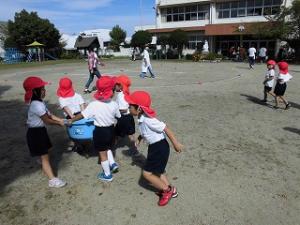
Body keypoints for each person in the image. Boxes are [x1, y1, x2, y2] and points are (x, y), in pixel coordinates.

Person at [125, 91, 183, 206]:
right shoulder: (141, 118)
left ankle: (167, 191)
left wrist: (175, 143)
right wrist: (140, 138)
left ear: (139, 109)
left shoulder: (148, 120)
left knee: (147, 174)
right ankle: (172, 190)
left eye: (130, 106)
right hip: (155, 147)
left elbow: (165, 128)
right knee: (159, 171)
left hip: (159, 147)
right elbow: (146, 132)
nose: (128, 107)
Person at [69, 76, 121, 181]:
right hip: (111, 130)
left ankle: (107, 175)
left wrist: (72, 120)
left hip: (100, 131)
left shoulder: (94, 105)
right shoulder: (114, 104)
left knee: (102, 154)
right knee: (108, 148)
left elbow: (82, 115)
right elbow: (118, 116)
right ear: (111, 91)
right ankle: (113, 164)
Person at [23, 76, 66, 188]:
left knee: (47, 151)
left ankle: (41, 160)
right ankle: (52, 180)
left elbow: (50, 114)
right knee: (45, 158)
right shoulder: (36, 105)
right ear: (35, 91)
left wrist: (61, 120)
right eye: (42, 89)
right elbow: (47, 120)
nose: (44, 90)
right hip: (36, 134)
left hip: (40, 132)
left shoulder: (39, 102)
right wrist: (59, 123)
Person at [114, 75, 137, 154]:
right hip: (129, 117)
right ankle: (135, 149)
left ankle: (111, 147)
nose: (114, 86)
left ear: (120, 86)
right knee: (131, 134)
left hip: (123, 118)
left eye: (116, 84)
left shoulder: (121, 96)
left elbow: (123, 109)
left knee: (116, 134)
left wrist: (113, 111)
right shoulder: (127, 93)